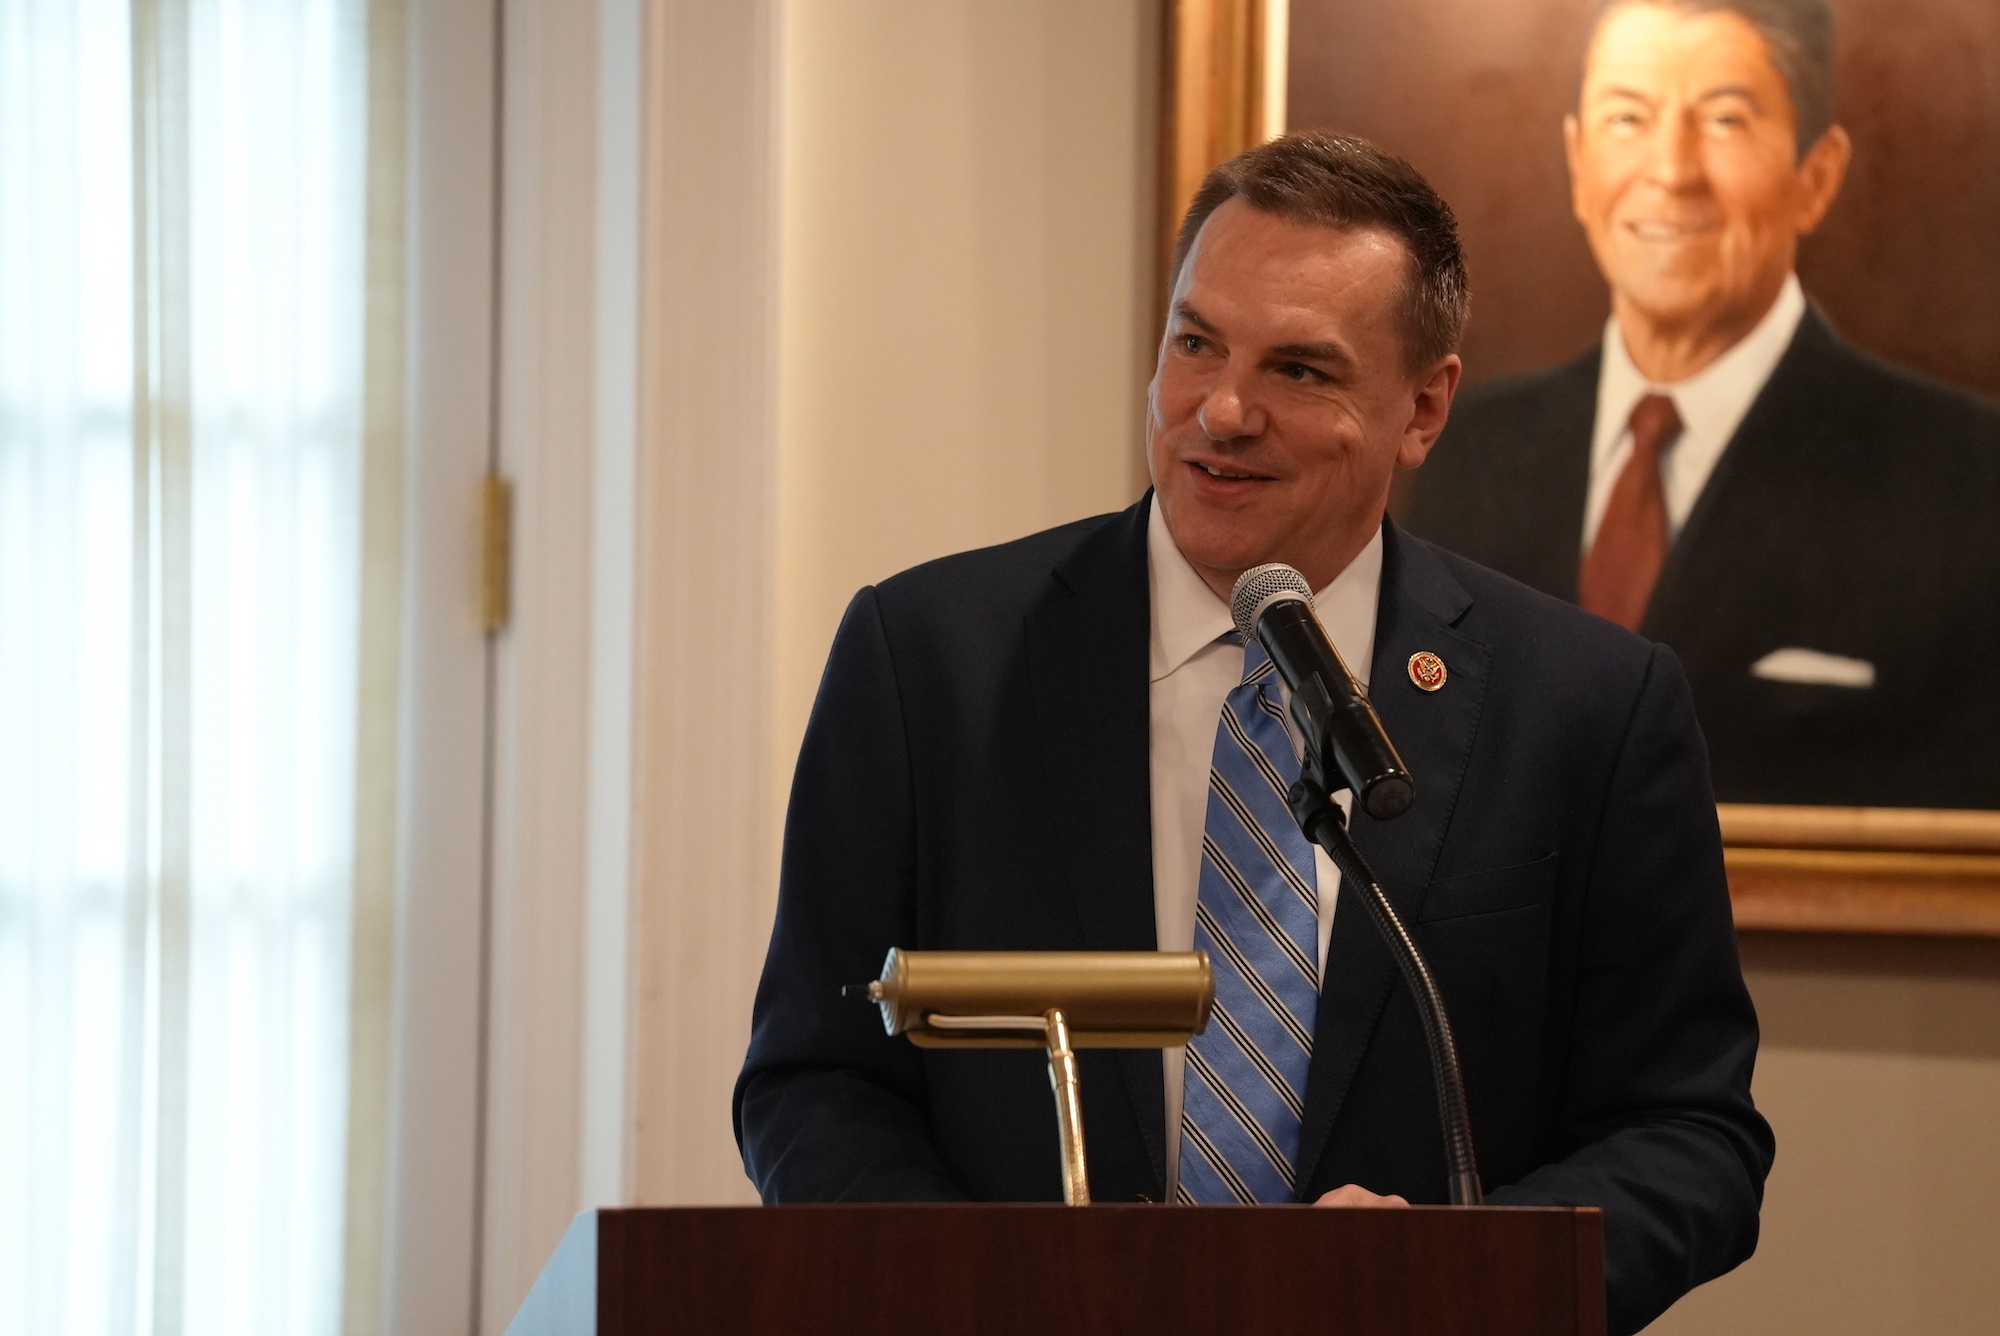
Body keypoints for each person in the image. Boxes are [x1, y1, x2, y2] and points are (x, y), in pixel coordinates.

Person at [735, 133, 1772, 1336]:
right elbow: (813, 1080)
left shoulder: (1587, 706)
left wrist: (1455, 1275)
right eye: (1195, 344)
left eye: (1298, 368)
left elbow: (1687, 1132)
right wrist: (986, 1288)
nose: (1220, 411)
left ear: (1422, 406)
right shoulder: (928, 662)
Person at [1404, 0, 2000, 809]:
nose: (1672, 171)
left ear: (1816, 175)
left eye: (1724, 120)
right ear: (1579, 164)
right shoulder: (1469, 451)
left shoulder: (1962, 474)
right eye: (1628, 117)